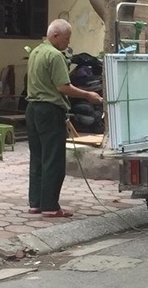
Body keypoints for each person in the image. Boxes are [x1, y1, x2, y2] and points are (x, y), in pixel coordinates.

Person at [25, 19, 102, 218]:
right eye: (66, 39)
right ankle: (50, 206)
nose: (67, 43)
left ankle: (36, 203)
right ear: (56, 36)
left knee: (38, 157)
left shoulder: (35, 52)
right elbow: (62, 87)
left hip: (32, 109)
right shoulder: (54, 55)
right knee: (53, 158)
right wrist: (88, 95)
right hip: (50, 110)